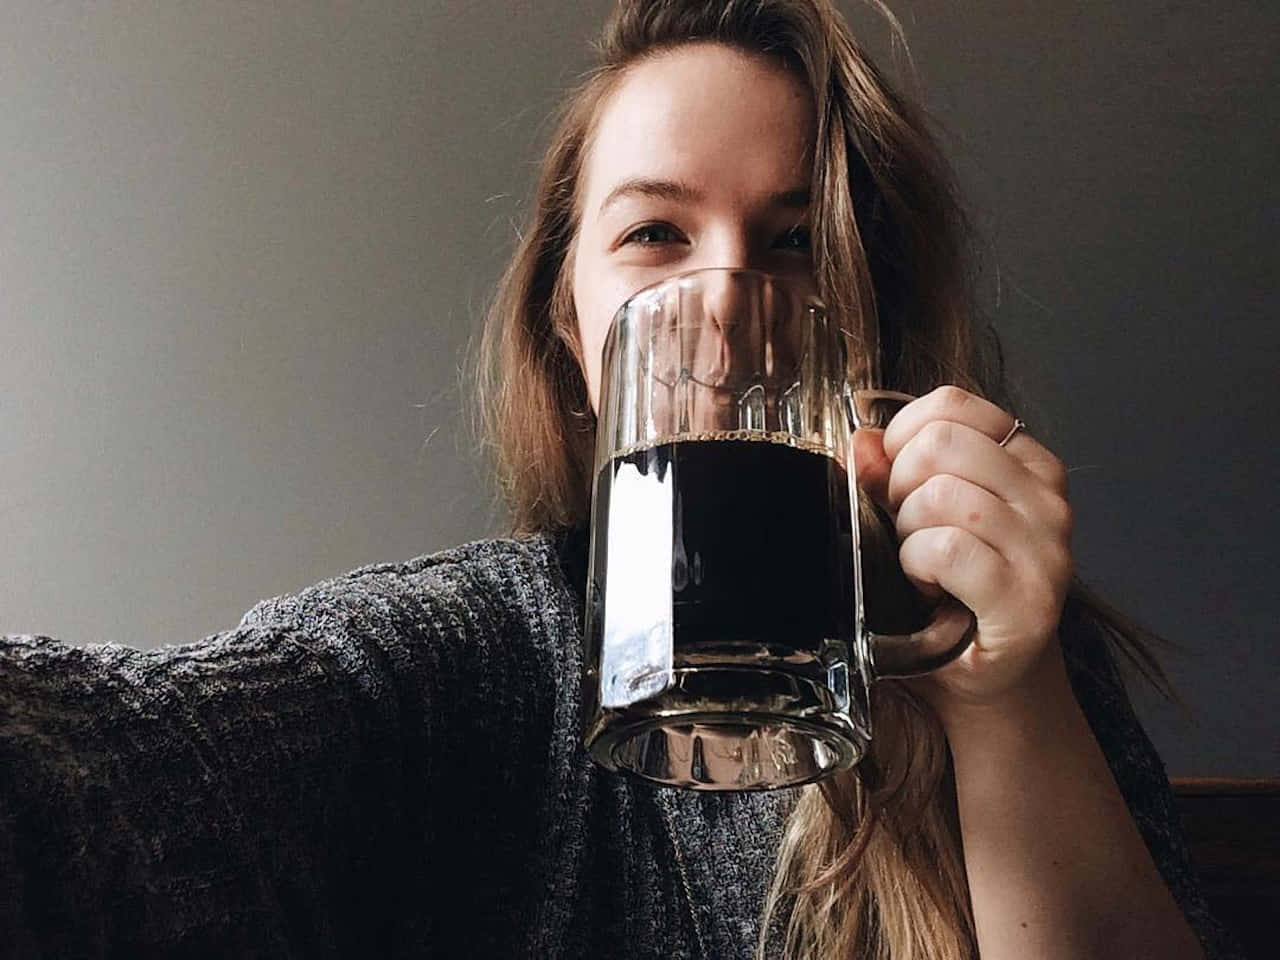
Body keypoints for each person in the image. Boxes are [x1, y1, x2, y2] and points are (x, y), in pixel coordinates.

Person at [0, 1, 1240, 958]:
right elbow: (133, 763)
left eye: (798, 243)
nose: (724, 306)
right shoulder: (479, 650)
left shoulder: (1023, 665)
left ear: (875, 329)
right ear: (572, 329)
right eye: (653, 234)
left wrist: (1002, 697)